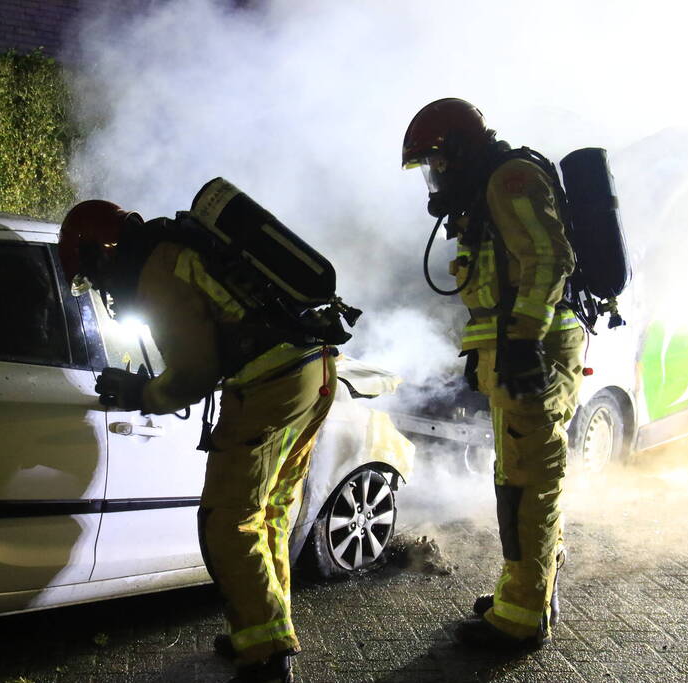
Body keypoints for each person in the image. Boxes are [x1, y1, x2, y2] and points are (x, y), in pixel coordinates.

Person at [58, 197, 338, 683]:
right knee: (265, 512)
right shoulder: (172, 247)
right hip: (313, 371)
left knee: (227, 522)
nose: (100, 289)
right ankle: (264, 629)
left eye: (90, 276)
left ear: (101, 252)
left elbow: (194, 373)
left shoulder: (154, 271)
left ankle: (268, 656)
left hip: (270, 385)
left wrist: (141, 393)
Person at [401, 98, 586, 649]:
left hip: (533, 351)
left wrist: (524, 342)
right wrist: (482, 351)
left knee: (528, 483)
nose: (435, 176)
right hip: (513, 351)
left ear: (457, 149)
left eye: (436, 161)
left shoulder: (509, 180)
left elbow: (550, 259)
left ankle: (522, 619)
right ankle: (528, 592)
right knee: (518, 481)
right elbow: (496, 281)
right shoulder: (489, 188)